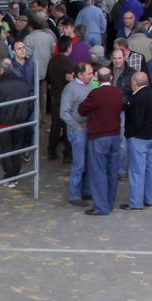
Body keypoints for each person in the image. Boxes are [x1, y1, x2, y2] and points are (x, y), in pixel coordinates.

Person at [79, 67, 124, 216]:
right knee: (112, 171)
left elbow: (82, 110)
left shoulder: (95, 94)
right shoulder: (118, 93)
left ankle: (101, 206)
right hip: (115, 135)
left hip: (98, 136)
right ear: (111, 78)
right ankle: (109, 203)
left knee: (98, 171)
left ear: (97, 79)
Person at [0, 58, 34, 184]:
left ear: (1, 70)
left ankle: (10, 176)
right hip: (20, 121)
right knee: (17, 147)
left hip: (3, 122)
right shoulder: (24, 84)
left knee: (6, 149)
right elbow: (31, 104)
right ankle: (15, 174)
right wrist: (24, 116)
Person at [123, 72, 152, 210]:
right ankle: (148, 198)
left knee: (136, 171)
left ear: (134, 83)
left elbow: (135, 121)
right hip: (151, 136)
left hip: (138, 138)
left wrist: (128, 134)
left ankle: (135, 202)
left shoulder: (137, 98)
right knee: (149, 169)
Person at [60, 62, 94, 205]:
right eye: (90, 73)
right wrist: (76, 126)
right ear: (80, 75)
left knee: (88, 161)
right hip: (78, 130)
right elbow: (64, 112)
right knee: (79, 163)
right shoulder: (70, 89)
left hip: (88, 128)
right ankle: (74, 195)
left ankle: (85, 191)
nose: (92, 75)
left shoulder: (89, 86)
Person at [45, 42, 75, 162]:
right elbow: (71, 81)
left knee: (55, 125)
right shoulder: (69, 63)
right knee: (67, 125)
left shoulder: (52, 61)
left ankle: (51, 152)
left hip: (55, 96)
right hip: (66, 97)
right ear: (68, 48)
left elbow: (48, 79)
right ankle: (67, 154)